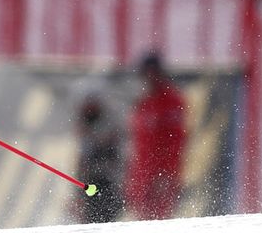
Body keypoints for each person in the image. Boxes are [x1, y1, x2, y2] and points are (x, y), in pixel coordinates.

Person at [123, 52, 187, 220]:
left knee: (159, 223)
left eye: (153, 73)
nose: (148, 78)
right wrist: (134, 179)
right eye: (145, 74)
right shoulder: (143, 102)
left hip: (160, 179)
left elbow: (176, 142)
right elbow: (137, 142)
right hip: (141, 176)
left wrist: (166, 173)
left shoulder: (171, 101)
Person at [71, 95, 123, 223]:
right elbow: (81, 165)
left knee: (105, 218)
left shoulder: (107, 133)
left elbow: (116, 160)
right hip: (91, 183)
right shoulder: (86, 138)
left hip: (107, 184)